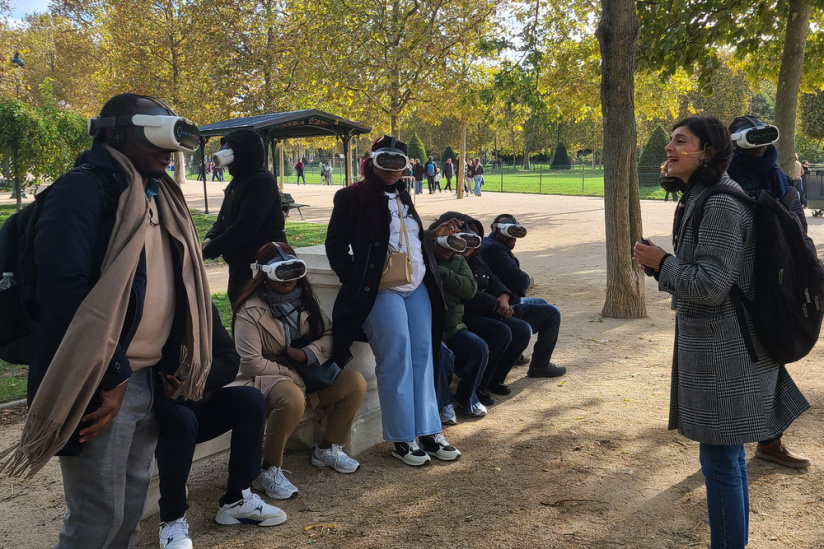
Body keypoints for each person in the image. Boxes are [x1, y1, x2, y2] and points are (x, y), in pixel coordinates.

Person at [4, 93, 213, 548]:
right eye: (156, 134)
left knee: (131, 505)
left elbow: (172, 286)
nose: (169, 149)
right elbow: (63, 290)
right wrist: (113, 373)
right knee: (98, 515)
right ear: (116, 132)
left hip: (148, 377)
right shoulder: (83, 187)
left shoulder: (161, 194)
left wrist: (173, 359)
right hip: (95, 377)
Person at [633, 115, 809, 549]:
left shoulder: (721, 203)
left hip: (728, 354)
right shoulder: (700, 195)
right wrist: (664, 267)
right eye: (669, 141)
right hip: (717, 350)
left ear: (707, 151)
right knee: (723, 458)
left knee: (722, 459)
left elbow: (711, 285)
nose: (669, 149)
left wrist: (662, 264)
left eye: (680, 141)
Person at [326, 135, 462, 466]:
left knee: (423, 355)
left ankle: (428, 430)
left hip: (417, 287)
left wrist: (434, 235)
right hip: (380, 290)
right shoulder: (350, 196)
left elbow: (408, 239)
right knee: (396, 358)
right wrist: (355, 280)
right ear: (371, 161)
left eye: (398, 164)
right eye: (385, 162)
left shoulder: (404, 194)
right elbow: (336, 245)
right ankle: (402, 439)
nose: (391, 170)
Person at [232, 242, 366, 499]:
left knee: (355, 382)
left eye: (295, 271)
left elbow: (328, 335)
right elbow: (250, 363)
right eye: (281, 272)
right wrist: (291, 374)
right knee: (291, 395)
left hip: (308, 374)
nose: (289, 279)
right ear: (265, 272)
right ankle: (269, 469)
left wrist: (307, 354)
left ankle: (326, 449)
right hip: (269, 379)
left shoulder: (307, 300)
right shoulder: (249, 310)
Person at [155, 303, 285, 549]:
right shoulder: (148, 306)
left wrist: (190, 380)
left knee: (250, 400)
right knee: (182, 420)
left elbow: (228, 357)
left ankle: (237, 500)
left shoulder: (199, 304)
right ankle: (172, 519)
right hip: (155, 408)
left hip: (194, 395)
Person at [726, 115, 810, 468]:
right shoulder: (725, 178)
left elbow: (799, 224)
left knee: (773, 357)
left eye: (763, 139)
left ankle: (769, 441)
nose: (760, 147)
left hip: (776, 284)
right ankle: (724, 449)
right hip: (738, 287)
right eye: (752, 139)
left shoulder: (777, 175)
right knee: (731, 367)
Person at [451, 213, 532, 397]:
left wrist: (504, 296)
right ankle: (476, 387)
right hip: (463, 315)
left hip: (485, 309)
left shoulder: (475, 256)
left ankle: (495, 379)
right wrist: (496, 304)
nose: (470, 243)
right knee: (502, 332)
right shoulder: (450, 260)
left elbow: (493, 280)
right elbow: (466, 294)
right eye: (465, 235)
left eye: (474, 237)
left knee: (522, 330)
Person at [201, 129, 286, 303]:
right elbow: (224, 218)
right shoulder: (238, 181)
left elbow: (245, 228)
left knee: (259, 319)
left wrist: (208, 251)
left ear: (243, 152)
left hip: (261, 267)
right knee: (241, 317)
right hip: (240, 265)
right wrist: (211, 236)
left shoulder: (261, 181)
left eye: (229, 149)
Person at [480, 214, 564, 378]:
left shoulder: (489, 243)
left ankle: (516, 353)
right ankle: (540, 365)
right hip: (501, 307)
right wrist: (518, 285)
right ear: (497, 231)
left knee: (541, 303)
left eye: (516, 234)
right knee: (553, 313)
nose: (513, 238)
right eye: (508, 233)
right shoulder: (495, 250)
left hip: (502, 299)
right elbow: (520, 281)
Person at [429, 224, 489, 417]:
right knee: (443, 355)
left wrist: (441, 273)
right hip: (430, 330)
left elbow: (469, 289)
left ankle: (467, 399)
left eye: (453, 243)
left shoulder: (458, 260)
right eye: (444, 242)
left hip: (453, 327)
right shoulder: (420, 260)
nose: (449, 249)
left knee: (479, 349)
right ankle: (444, 403)